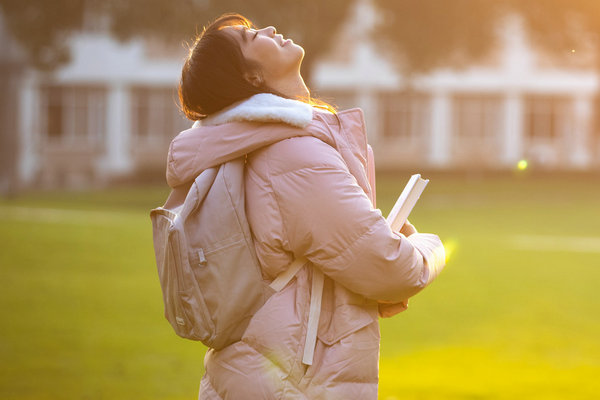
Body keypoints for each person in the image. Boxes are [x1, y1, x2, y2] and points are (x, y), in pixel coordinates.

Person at [168, 13, 446, 400]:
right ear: (250, 77)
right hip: (294, 385)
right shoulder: (293, 155)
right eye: (251, 38)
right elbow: (390, 268)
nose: (266, 29)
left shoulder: (259, 147)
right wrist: (430, 247)